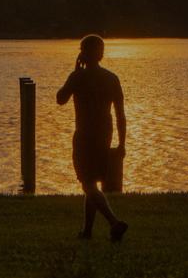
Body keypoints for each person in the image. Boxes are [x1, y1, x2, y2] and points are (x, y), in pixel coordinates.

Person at [57, 34, 129, 242]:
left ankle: (114, 223)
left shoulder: (78, 77)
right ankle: (87, 231)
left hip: (84, 136)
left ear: (85, 54)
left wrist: (74, 73)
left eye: (81, 49)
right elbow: (120, 115)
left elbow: (60, 99)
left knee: (88, 184)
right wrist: (122, 143)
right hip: (104, 136)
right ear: (101, 54)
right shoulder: (112, 78)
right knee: (92, 184)